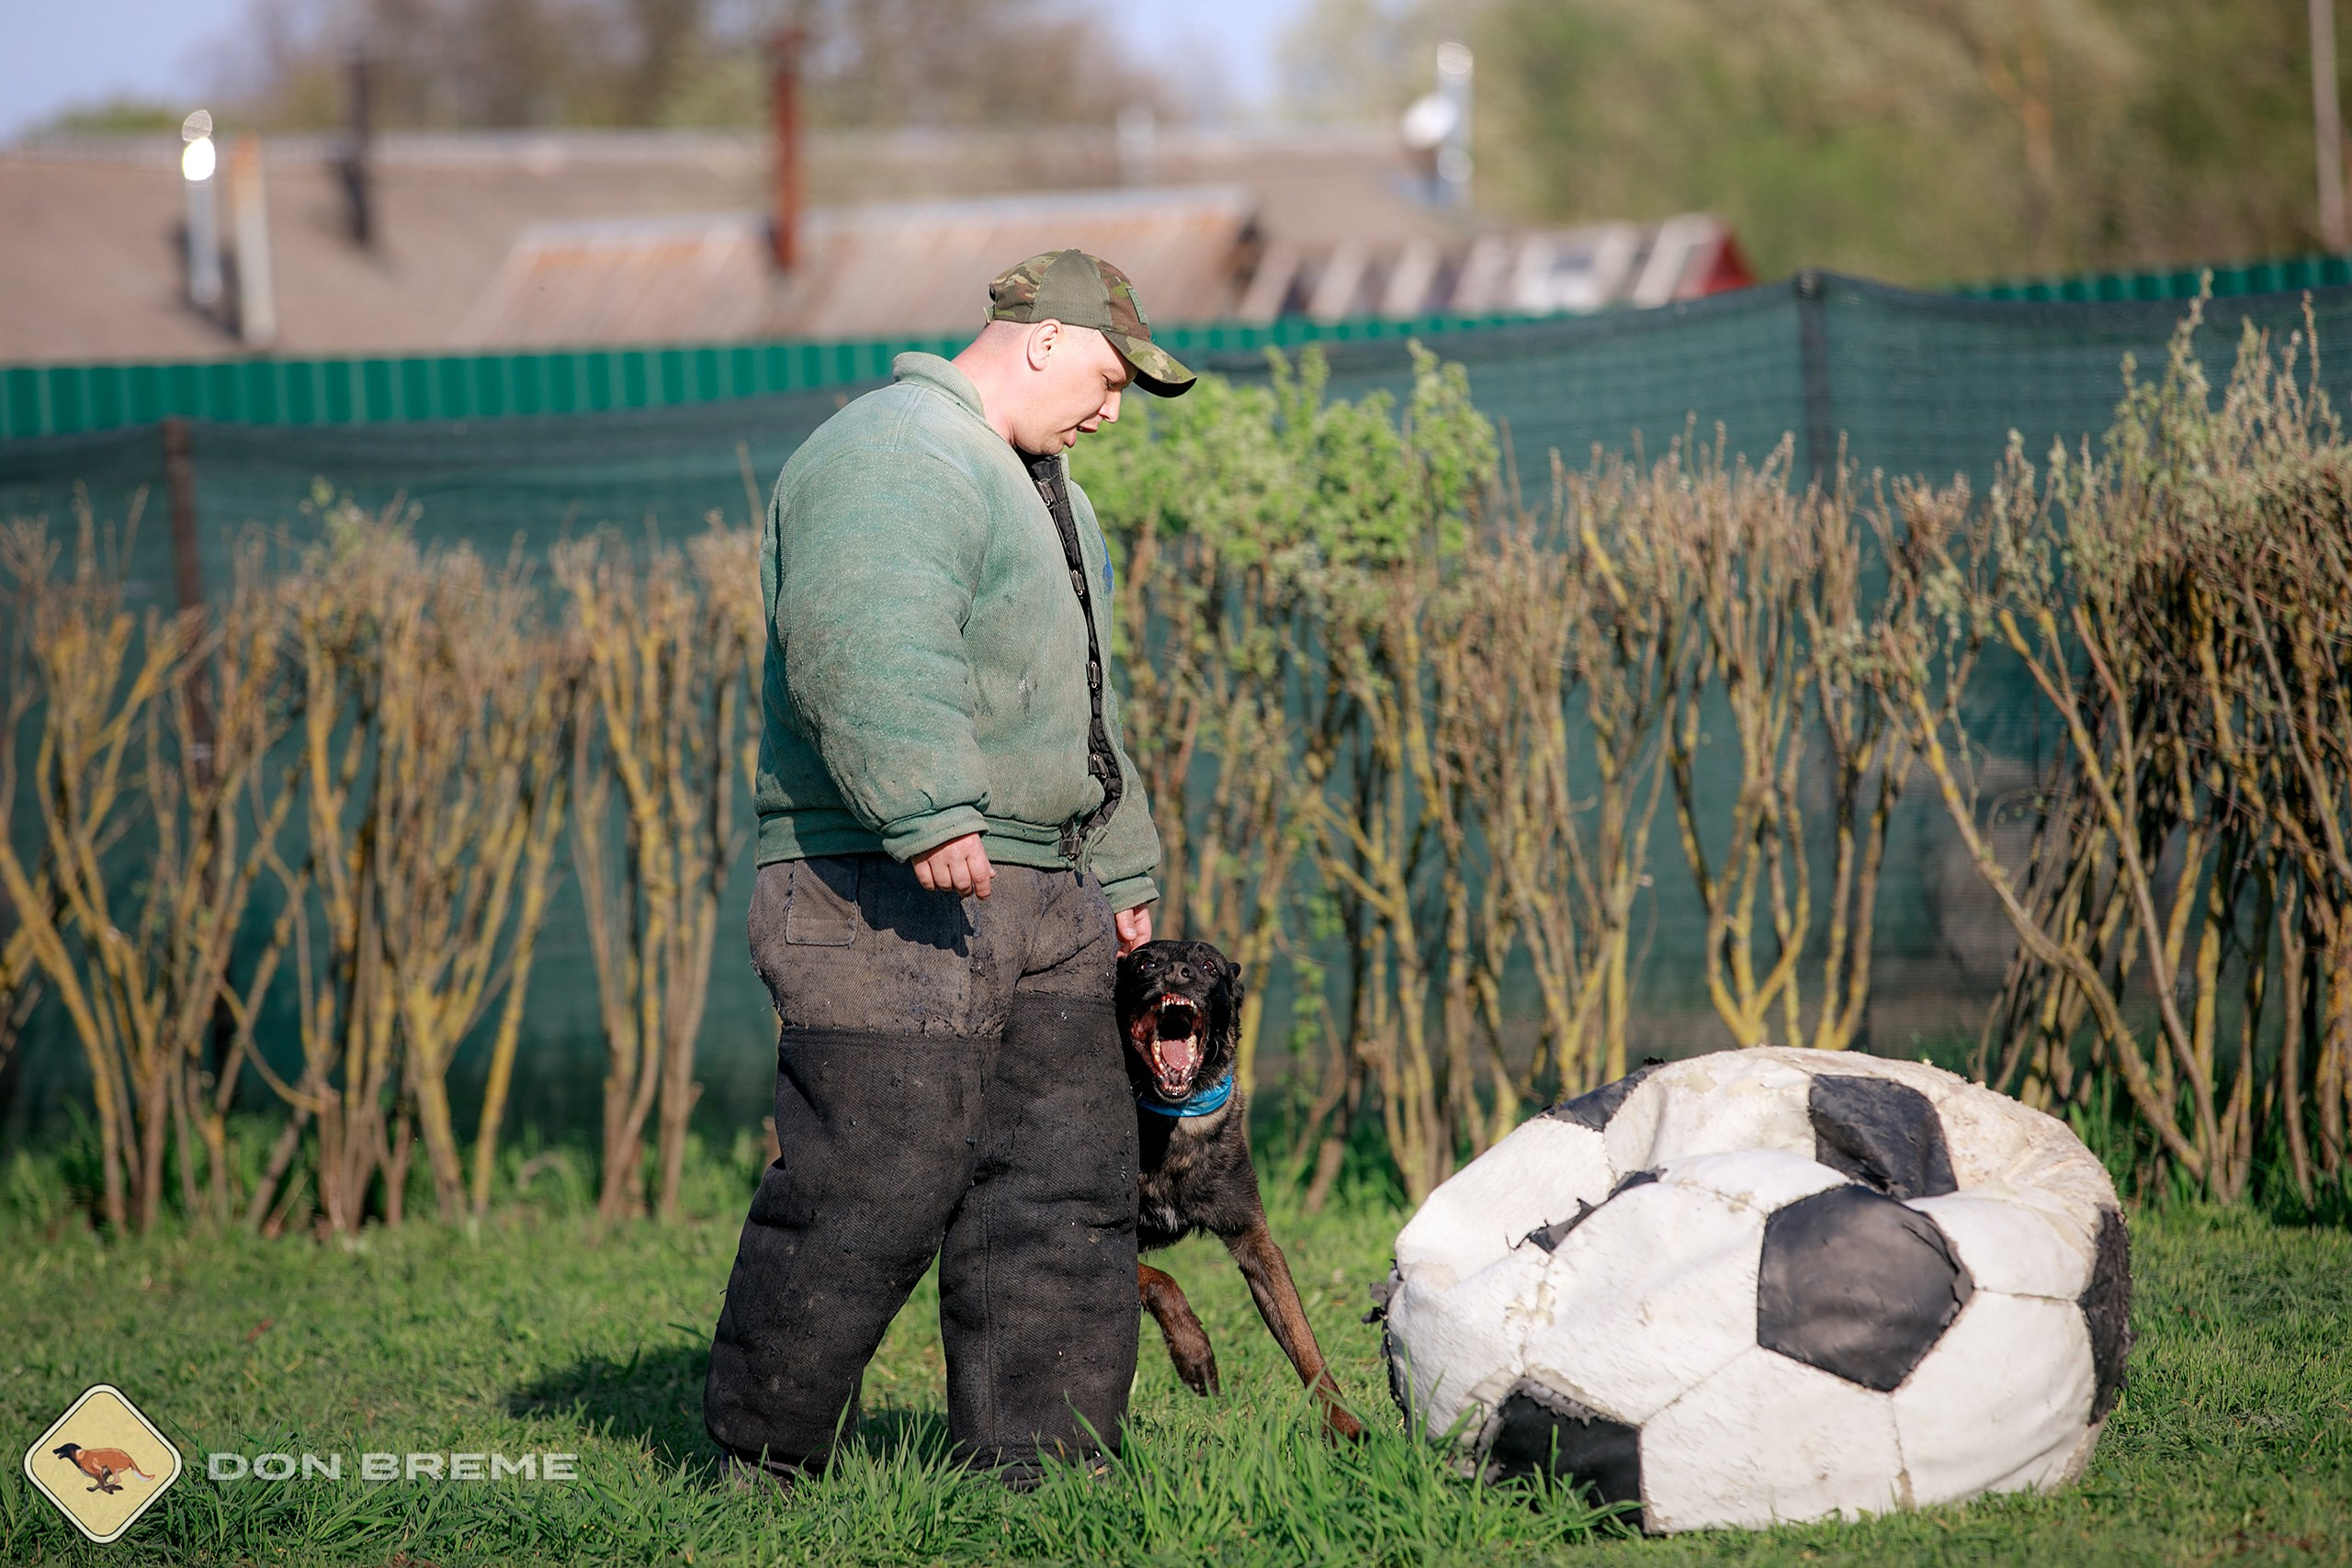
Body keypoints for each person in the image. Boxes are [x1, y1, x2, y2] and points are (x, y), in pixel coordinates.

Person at [703, 249, 1195, 1492]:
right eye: (1104, 375)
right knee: (870, 1184)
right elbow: (862, 633)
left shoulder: (1050, 491)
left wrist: (1123, 862)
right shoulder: (894, 452)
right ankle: (762, 1466)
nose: (1111, 407)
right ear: (1039, 341)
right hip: (881, 882)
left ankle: (1046, 1471)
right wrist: (924, 804)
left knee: (1065, 1191)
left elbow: (1088, 703)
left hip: (1046, 884)